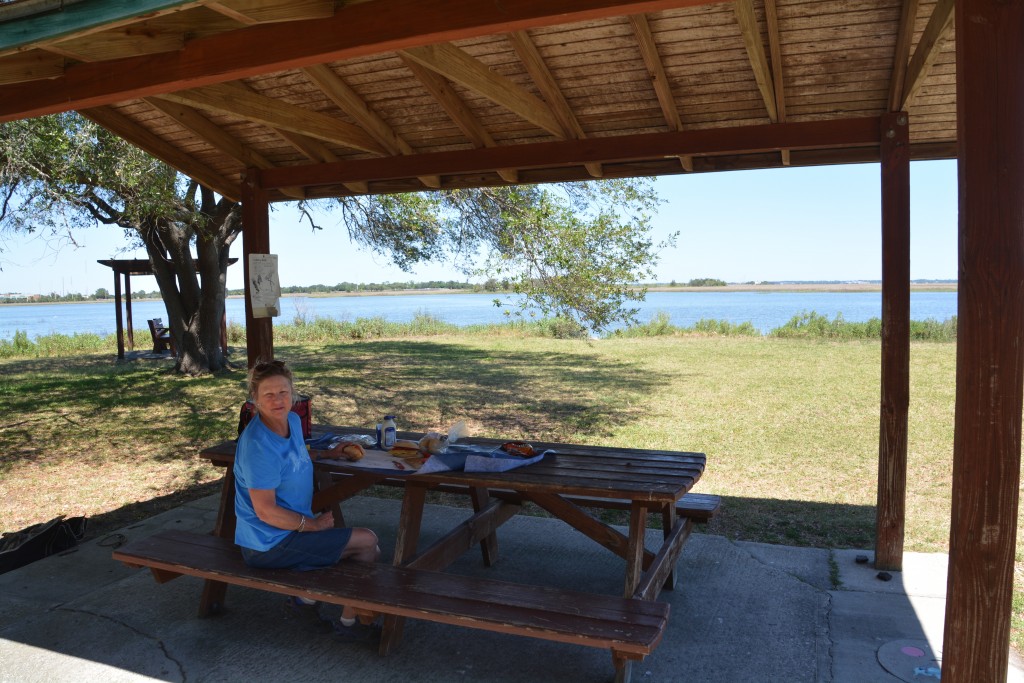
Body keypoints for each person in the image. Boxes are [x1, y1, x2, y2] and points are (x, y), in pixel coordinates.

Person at [234, 359, 381, 641]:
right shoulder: (258, 446)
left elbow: (297, 454)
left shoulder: (290, 421)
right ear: (255, 400)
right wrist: (312, 525)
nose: (278, 400)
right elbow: (265, 511)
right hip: (267, 544)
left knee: (366, 552)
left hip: (287, 534)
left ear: (293, 393)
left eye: (284, 392)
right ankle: (347, 621)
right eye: (269, 394)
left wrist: (329, 454)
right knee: (367, 541)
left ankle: (310, 604)